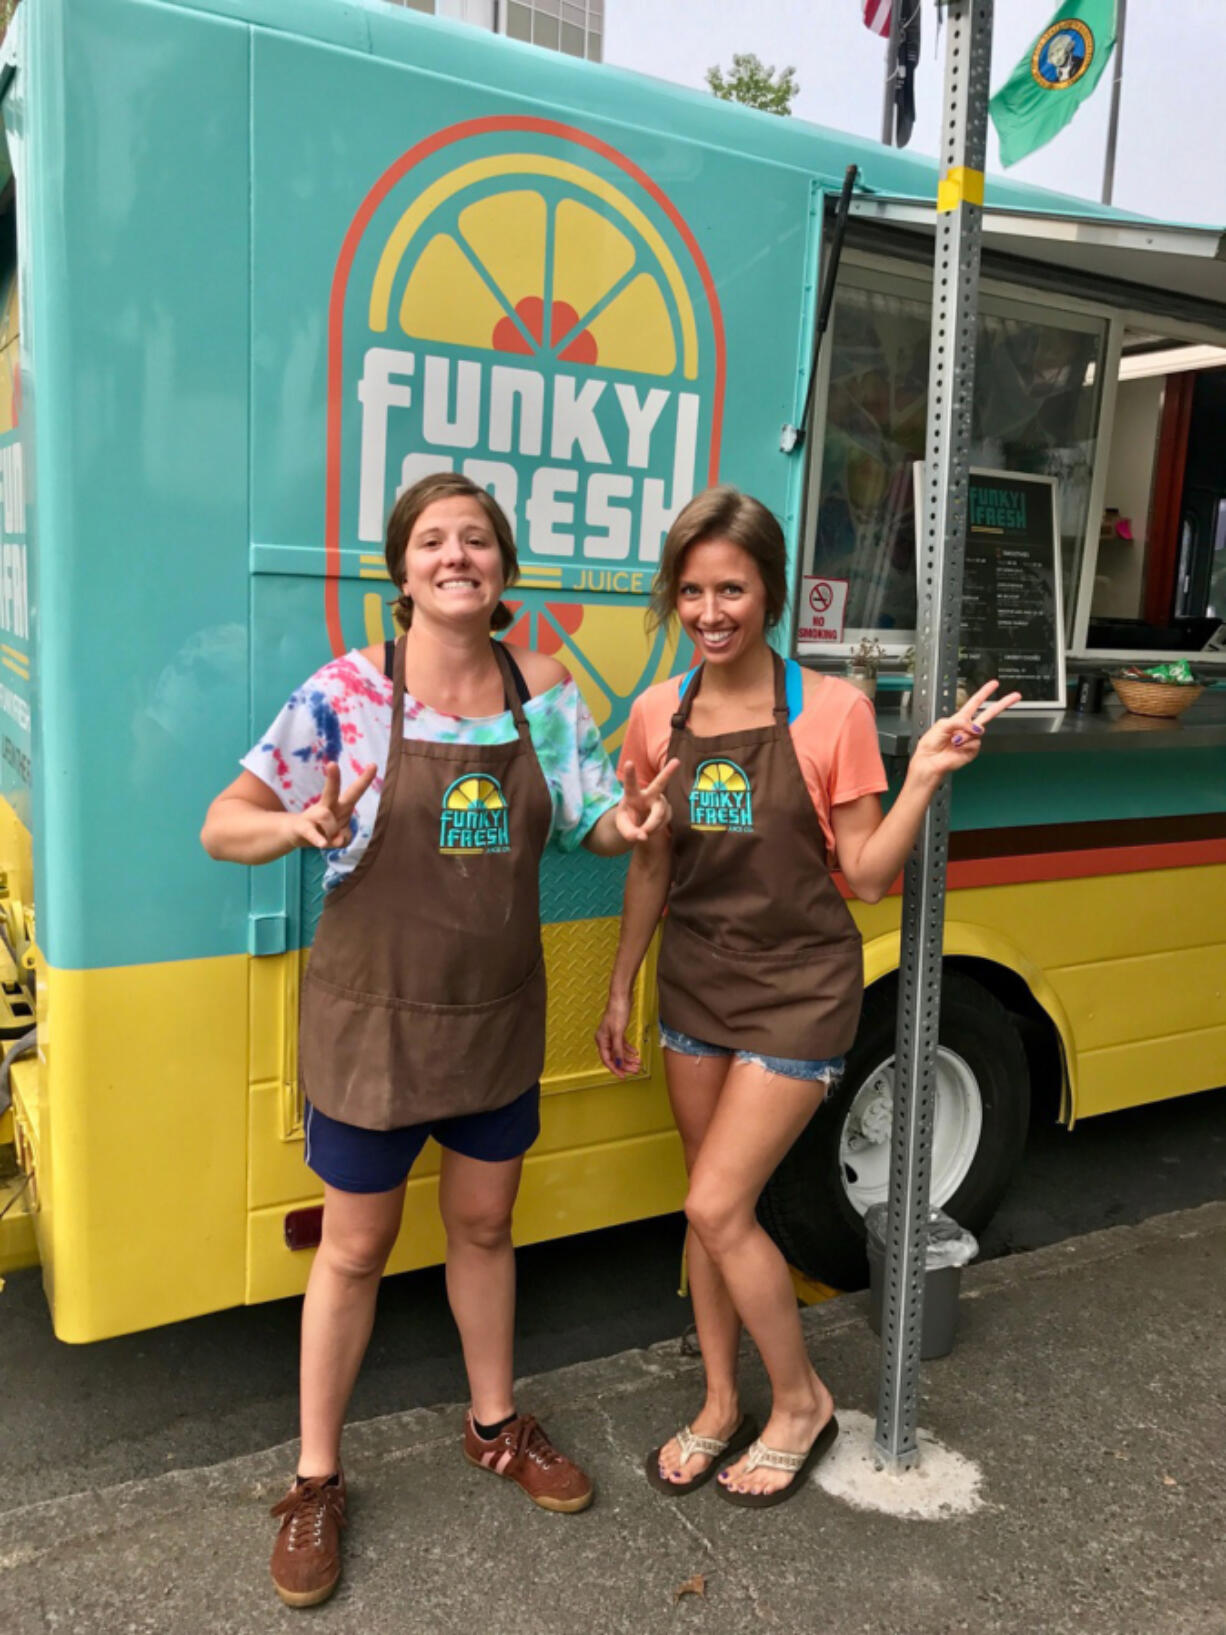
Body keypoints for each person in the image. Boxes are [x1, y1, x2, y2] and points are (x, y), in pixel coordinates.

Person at [202, 472, 675, 1606]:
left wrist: (630, 821)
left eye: (476, 539)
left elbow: (582, 822)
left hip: (494, 1014)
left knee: (484, 1227)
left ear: (501, 569)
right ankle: (317, 1479)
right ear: (401, 571)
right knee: (354, 1250)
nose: (455, 553)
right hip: (373, 1024)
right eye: (431, 540)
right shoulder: (347, 696)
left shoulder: (544, 687)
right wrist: (292, 824)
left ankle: (494, 1424)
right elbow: (223, 826)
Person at [596, 486, 1018, 1510]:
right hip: (694, 983)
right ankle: (713, 1400)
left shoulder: (828, 711)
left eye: (730, 588)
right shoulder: (659, 714)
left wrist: (920, 777)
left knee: (714, 1201)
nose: (709, 611)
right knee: (707, 1213)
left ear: (768, 592)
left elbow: (866, 875)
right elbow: (646, 863)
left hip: (795, 992)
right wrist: (620, 986)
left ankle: (798, 1400)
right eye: (690, 590)